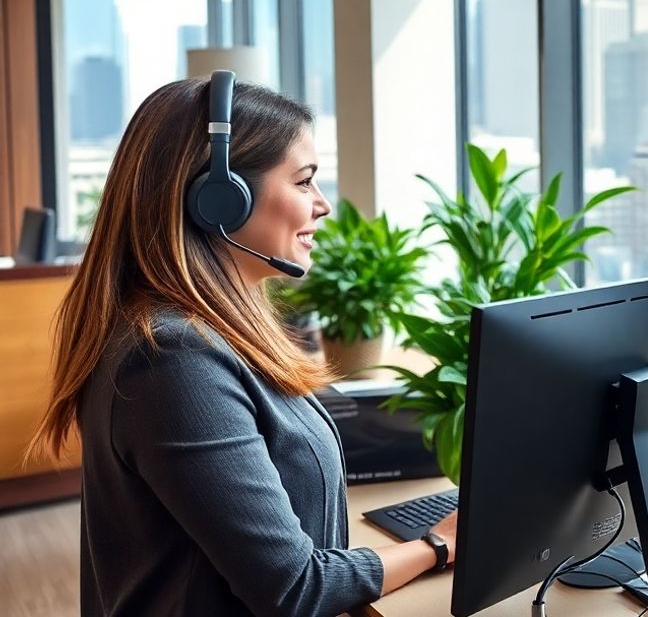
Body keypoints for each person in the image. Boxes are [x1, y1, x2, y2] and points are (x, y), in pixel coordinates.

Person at [27, 77, 457, 616]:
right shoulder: (173, 361)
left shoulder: (209, 330)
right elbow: (295, 588)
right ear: (220, 202)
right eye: (304, 182)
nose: (323, 205)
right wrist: (438, 544)